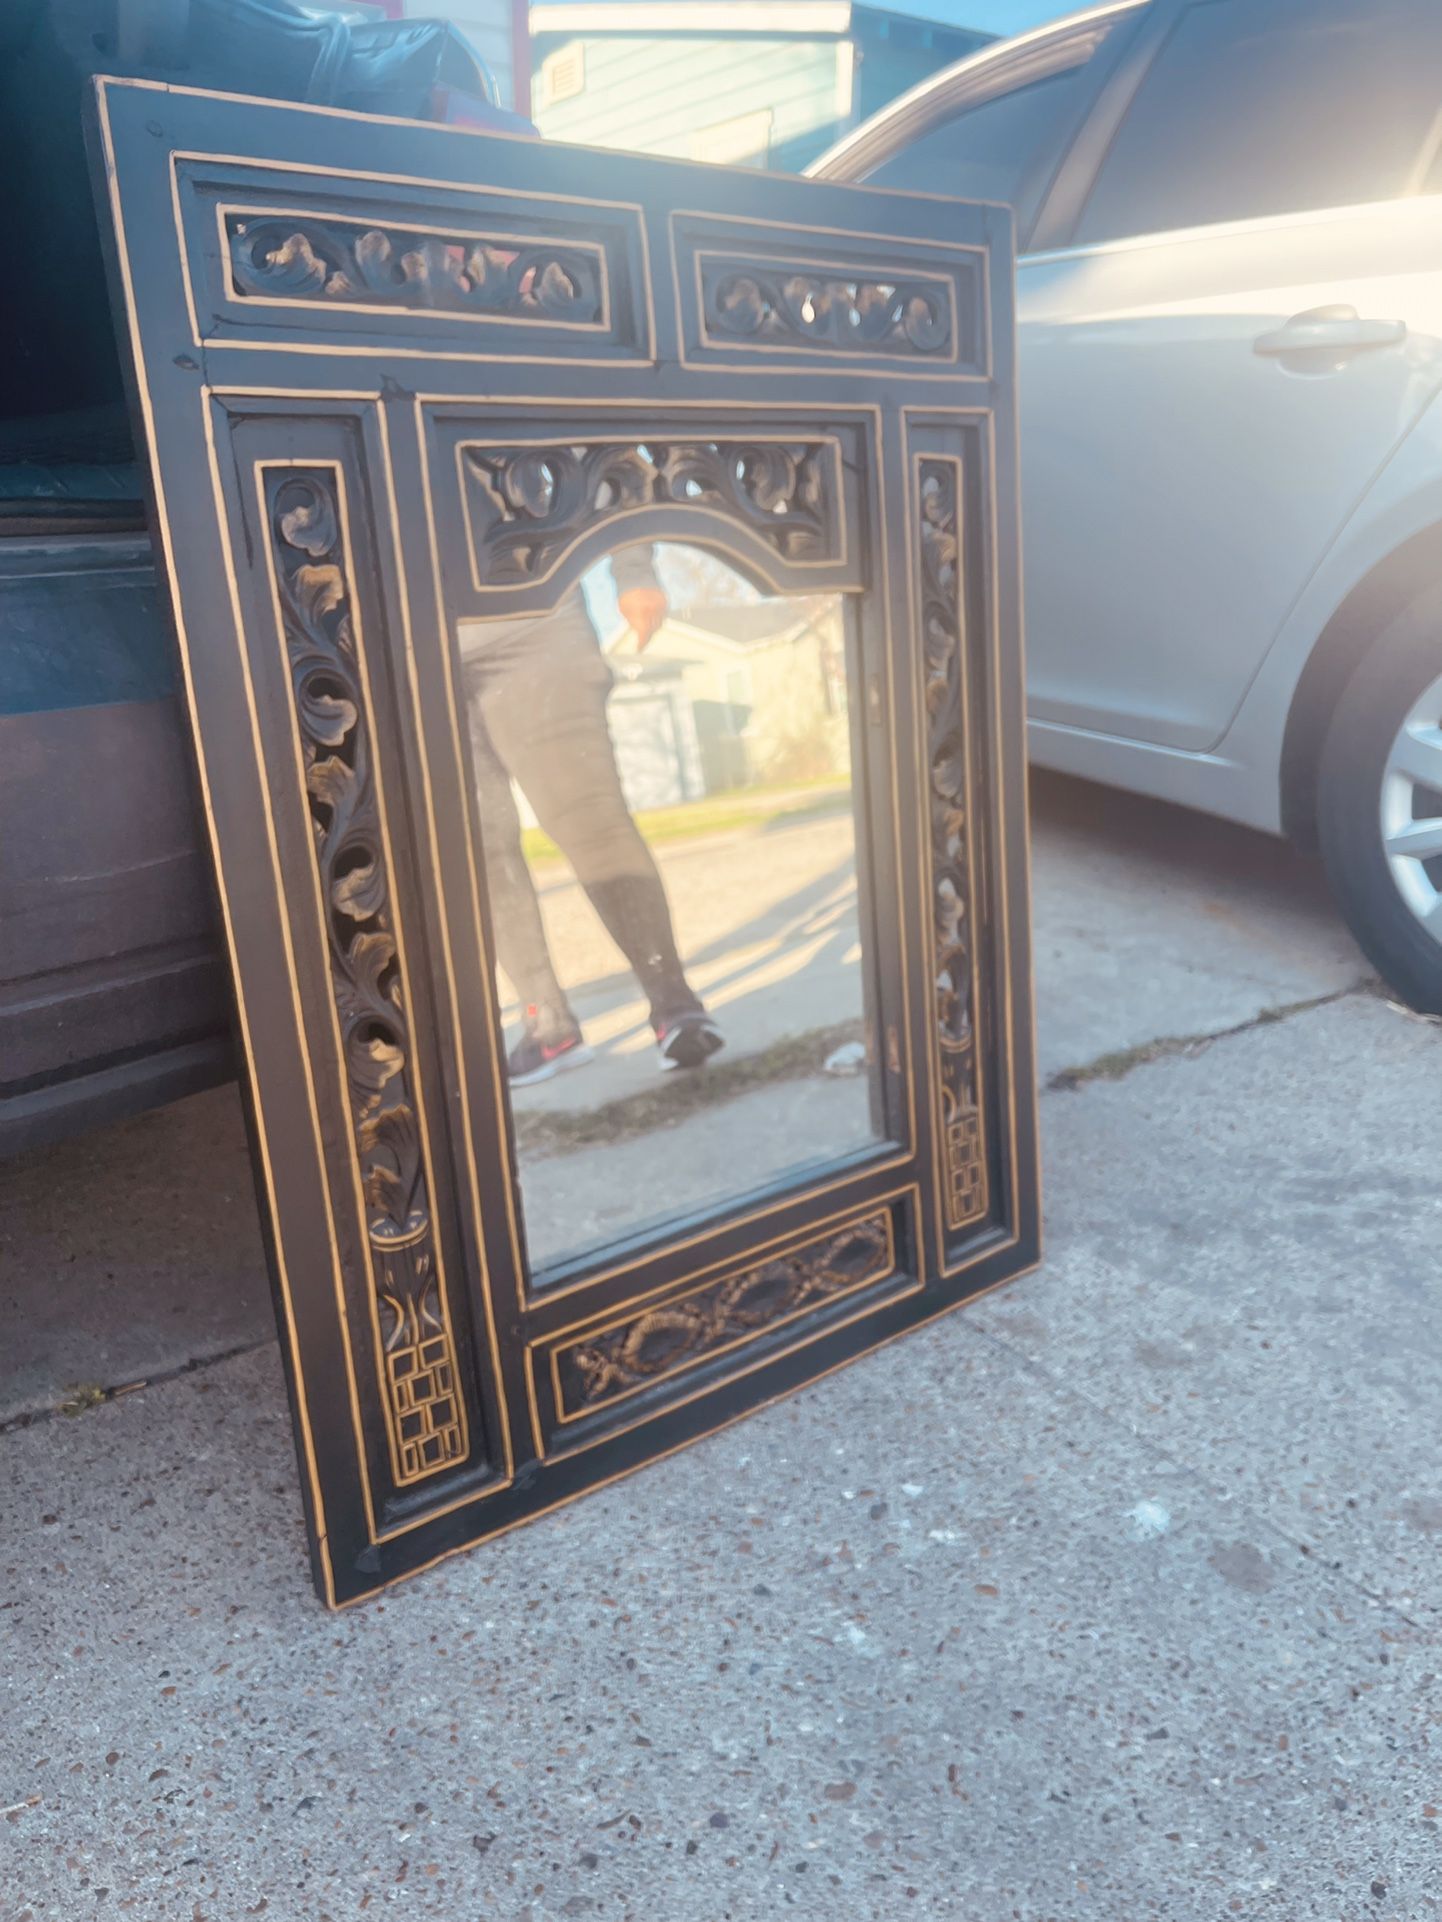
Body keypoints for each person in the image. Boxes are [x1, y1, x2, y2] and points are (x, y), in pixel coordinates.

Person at [458, 546, 725, 1086]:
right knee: (475, 843)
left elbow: (604, 457)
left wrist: (633, 568)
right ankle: (547, 1025)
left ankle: (675, 1007)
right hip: (405, 637)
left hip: (532, 618)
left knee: (589, 818)